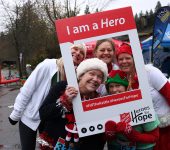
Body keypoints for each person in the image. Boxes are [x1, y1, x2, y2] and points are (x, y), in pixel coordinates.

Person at [8, 43, 87, 150]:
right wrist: (16, 113)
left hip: (49, 122)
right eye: (75, 49)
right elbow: (27, 89)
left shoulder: (76, 77)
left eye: (82, 53)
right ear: (66, 50)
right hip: (30, 117)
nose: (78, 53)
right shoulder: (48, 65)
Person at [39, 58, 108, 150]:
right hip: (54, 145)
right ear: (81, 76)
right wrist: (64, 100)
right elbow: (43, 113)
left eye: (99, 77)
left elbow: (98, 136)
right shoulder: (62, 87)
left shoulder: (98, 100)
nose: (95, 79)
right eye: (91, 74)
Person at [116, 43, 170, 150]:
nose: (124, 62)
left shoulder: (150, 72)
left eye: (127, 58)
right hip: (146, 131)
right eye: (120, 59)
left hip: (165, 128)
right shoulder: (122, 79)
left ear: (135, 58)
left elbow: (168, 93)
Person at [104, 69, 160, 150]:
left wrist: (133, 134)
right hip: (116, 146)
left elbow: (154, 136)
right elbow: (103, 138)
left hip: (141, 147)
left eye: (118, 85)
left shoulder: (141, 103)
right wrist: (109, 134)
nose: (114, 90)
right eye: (111, 86)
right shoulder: (105, 107)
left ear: (127, 87)